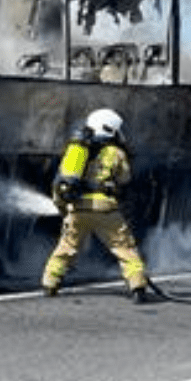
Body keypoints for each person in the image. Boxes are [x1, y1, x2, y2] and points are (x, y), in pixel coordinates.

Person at [40, 108, 155, 304]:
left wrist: (63, 207)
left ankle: (50, 284)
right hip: (105, 210)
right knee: (124, 248)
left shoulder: (77, 149)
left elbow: (62, 181)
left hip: (77, 209)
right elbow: (125, 178)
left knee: (66, 247)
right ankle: (138, 287)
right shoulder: (116, 152)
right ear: (111, 130)